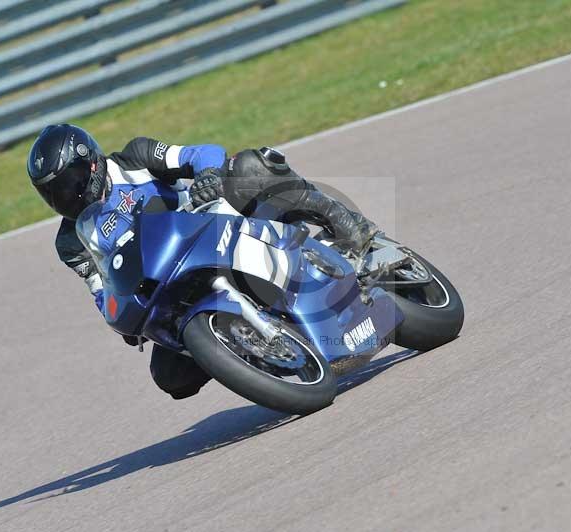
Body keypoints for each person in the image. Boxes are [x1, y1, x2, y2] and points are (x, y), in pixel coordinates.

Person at [27, 123, 377, 400]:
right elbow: (100, 290)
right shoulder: (70, 242)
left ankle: (351, 229)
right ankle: (250, 351)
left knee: (249, 167)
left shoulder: (135, 158)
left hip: (211, 228)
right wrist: (120, 313)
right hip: (170, 285)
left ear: (90, 162)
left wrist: (208, 178)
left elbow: (202, 154)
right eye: (53, 193)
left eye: (69, 183)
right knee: (171, 378)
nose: (65, 197)